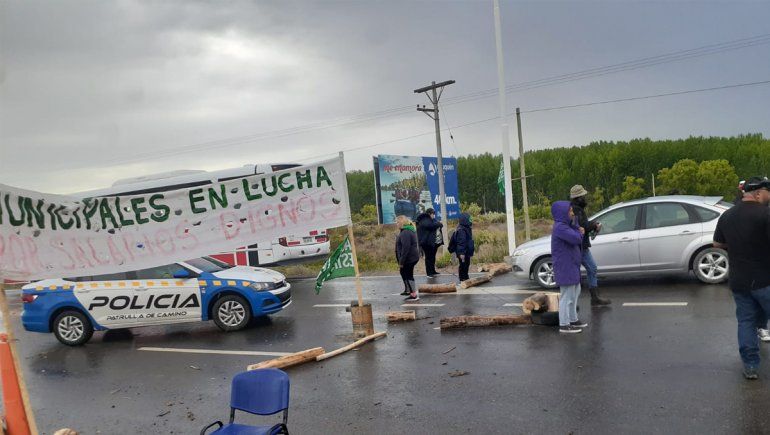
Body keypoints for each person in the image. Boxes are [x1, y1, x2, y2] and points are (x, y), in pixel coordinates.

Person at [713, 176, 770, 380]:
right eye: (767, 192)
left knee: (746, 321)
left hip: (739, 281)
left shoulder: (727, 215)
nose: (769, 196)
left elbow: (717, 244)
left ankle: (751, 366)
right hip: (765, 280)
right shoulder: (766, 214)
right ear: (758, 193)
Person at [569, 185, 611, 306]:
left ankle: (593, 298)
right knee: (588, 269)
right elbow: (582, 226)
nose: (585, 197)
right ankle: (587, 299)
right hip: (579, 246)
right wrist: (594, 225)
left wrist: (591, 225)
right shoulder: (576, 209)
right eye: (583, 196)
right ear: (578, 197)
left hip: (581, 245)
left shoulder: (576, 208)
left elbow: (583, 225)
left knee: (589, 269)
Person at [551, 201, 588, 333]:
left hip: (572, 264)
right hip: (565, 266)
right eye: (570, 212)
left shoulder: (566, 225)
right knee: (566, 295)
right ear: (563, 213)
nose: (572, 213)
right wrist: (580, 232)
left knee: (575, 293)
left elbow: (575, 232)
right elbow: (576, 239)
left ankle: (573, 319)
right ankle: (564, 324)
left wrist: (577, 225)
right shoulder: (560, 227)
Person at [395, 215, 420, 301]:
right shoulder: (406, 231)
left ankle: (413, 294)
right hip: (410, 257)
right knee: (404, 272)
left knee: (408, 274)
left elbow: (406, 248)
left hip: (409, 258)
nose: (396, 224)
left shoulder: (405, 232)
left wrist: (401, 262)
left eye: (397, 222)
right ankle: (409, 290)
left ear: (401, 223)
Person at [415, 208, 444, 278]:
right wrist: (439, 223)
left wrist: (438, 223)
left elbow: (440, 225)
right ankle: (429, 273)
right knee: (428, 258)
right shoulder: (424, 219)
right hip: (426, 243)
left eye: (434, 213)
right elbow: (430, 226)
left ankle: (433, 271)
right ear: (429, 213)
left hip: (433, 243)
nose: (434, 215)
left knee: (432, 257)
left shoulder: (432, 220)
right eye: (433, 213)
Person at [454, 213, 475, 282]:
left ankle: (466, 277)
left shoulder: (466, 228)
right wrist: (461, 253)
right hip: (463, 252)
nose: (470, 221)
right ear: (465, 220)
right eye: (469, 220)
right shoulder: (461, 230)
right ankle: (462, 278)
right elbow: (461, 243)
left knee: (467, 264)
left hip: (466, 250)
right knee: (463, 265)